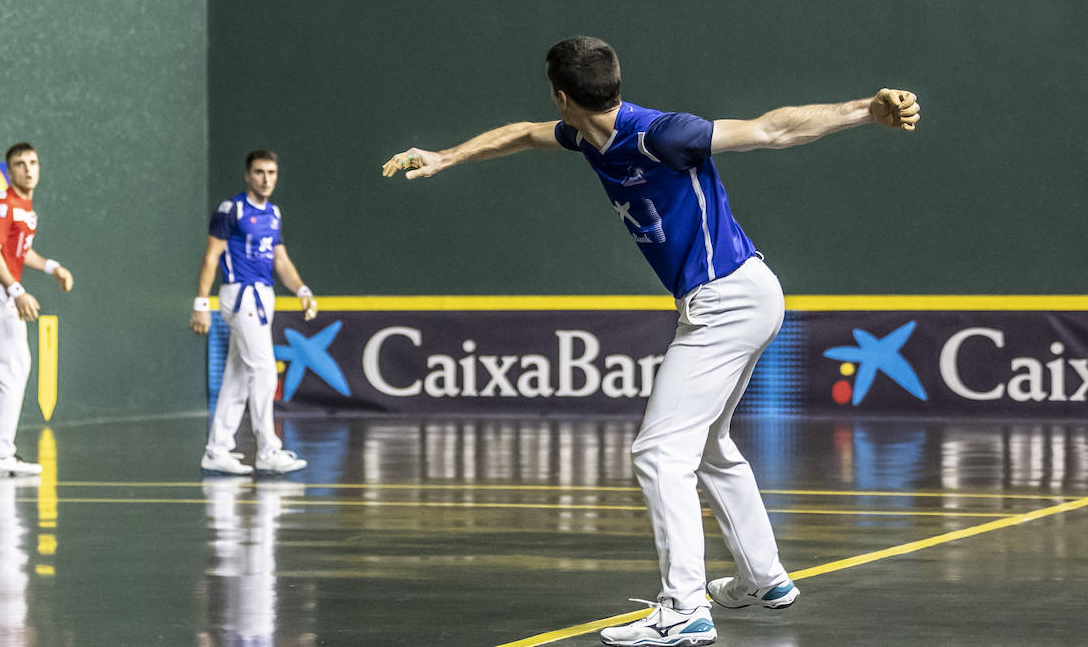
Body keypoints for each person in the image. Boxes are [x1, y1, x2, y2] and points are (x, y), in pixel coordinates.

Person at [382, 37, 919, 647]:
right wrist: (448, 157)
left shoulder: (661, 135)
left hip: (726, 300)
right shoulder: (583, 135)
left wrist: (863, 110)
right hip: (744, 295)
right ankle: (764, 579)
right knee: (709, 443)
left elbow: (771, 131)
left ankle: (683, 608)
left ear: (563, 95)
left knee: (660, 453)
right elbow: (526, 135)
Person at [190, 150, 319, 476]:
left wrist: (302, 290)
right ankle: (268, 450)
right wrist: (201, 304)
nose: (266, 179)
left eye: (271, 172)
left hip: (264, 297)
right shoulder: (230, 210)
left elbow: (281, 261)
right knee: (263, 372)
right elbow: (210, 257)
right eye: (260, 172)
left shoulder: (273, 214)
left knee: (237, 377)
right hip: (240, 295)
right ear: (248, 176)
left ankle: (217, 450)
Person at [0, 143, 74, 477]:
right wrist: (17, 290)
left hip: (0, 291)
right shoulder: (2, 207)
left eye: (33, 163)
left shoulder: (26, 209)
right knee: (12, 371)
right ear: (9, 172)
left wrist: (54, 268)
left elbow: (20, 252)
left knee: (16, 367)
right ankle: (1, 454)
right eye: (20, 164)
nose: (28, 169)